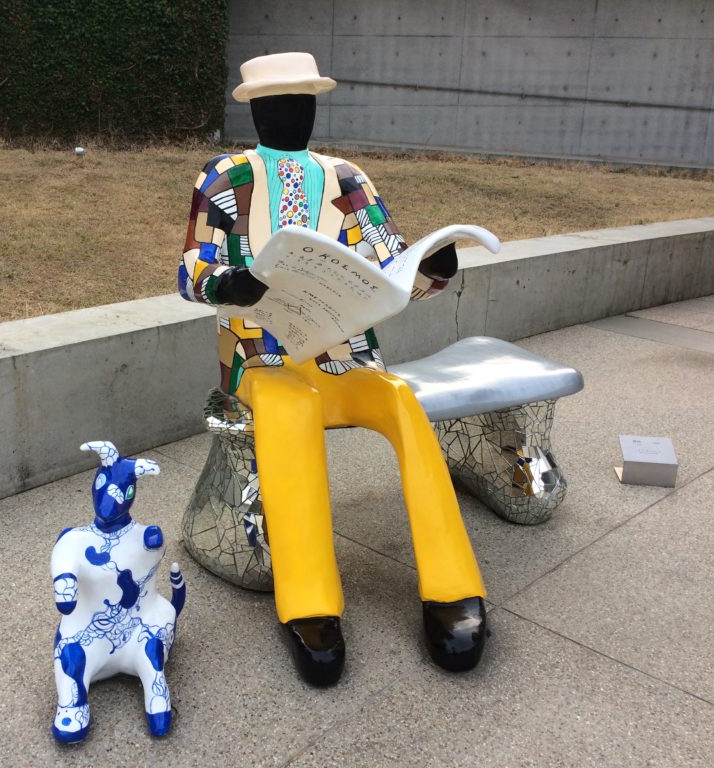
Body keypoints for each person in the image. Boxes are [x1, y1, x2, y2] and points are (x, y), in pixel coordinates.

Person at [179, 52, 487, 686]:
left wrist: (432, 269)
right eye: (279, 102)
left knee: (400, 399)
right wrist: (230, 283)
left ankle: (452, 584)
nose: (292, 113)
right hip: (260, 354)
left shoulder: (347, 178)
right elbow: (192, 270)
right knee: (289, 407)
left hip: (344, 353)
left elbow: (390, 265)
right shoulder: (226, 176)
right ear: (257, 110)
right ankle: (310, 602)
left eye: (302, 101)